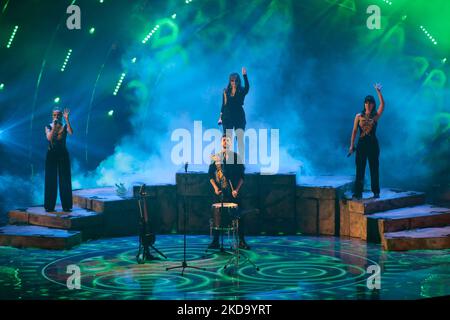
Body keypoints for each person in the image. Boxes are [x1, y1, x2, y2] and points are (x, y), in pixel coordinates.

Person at [208, 135, 250, 250]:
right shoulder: (216, 157)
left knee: (238, 217)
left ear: (230, 143)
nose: (225, 142)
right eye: (223, 140)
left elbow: (242, 176)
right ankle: (216, 241)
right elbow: (210, 175)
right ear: (221, 142)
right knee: (217, 216)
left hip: (233, 193)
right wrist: (215, 188)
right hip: (220, 193)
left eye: (228, 140)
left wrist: (236, 189)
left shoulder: (236, 157)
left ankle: (241, 241)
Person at [348, 83, 385, 199]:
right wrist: (351, 145)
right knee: (360, 169)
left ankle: (376, 192)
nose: (368, 105)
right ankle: (358, 192)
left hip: (373, 145)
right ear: (364, 104)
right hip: (361, 145)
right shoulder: (358, 116)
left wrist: (378, 92)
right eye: (366, 102)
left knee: (374, 168)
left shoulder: (375, 116)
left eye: (370, 103)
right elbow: (354, 131)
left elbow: (383, 105)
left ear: (373, 104)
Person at [44, 108, 73, 212]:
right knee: (50, 179)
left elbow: (71, 132)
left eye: (58, 115)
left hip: (63, 154)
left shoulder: (64, 126)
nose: (56, 117)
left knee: (65, 179)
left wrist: (67, 119)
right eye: (54, 115)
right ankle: (49, 206)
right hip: (51, 154)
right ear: (52, 116)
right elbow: (49, 138)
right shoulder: (48, 126)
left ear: (61, 116)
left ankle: (66, 205)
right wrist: (54, 127)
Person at [217, 67, 250, 159]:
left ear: (238, 81)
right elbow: (223, 105)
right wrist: (220, 117)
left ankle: (241, 161)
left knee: (239, 138)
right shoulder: (226, 91)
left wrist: (245, 76)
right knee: (227, 139)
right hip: (227, 116)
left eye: (235, 81)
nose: (234, 82)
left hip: (238, 116)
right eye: (232, 80)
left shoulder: (241, 91)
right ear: (230, 81)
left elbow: (247, 88)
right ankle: (226, 160)